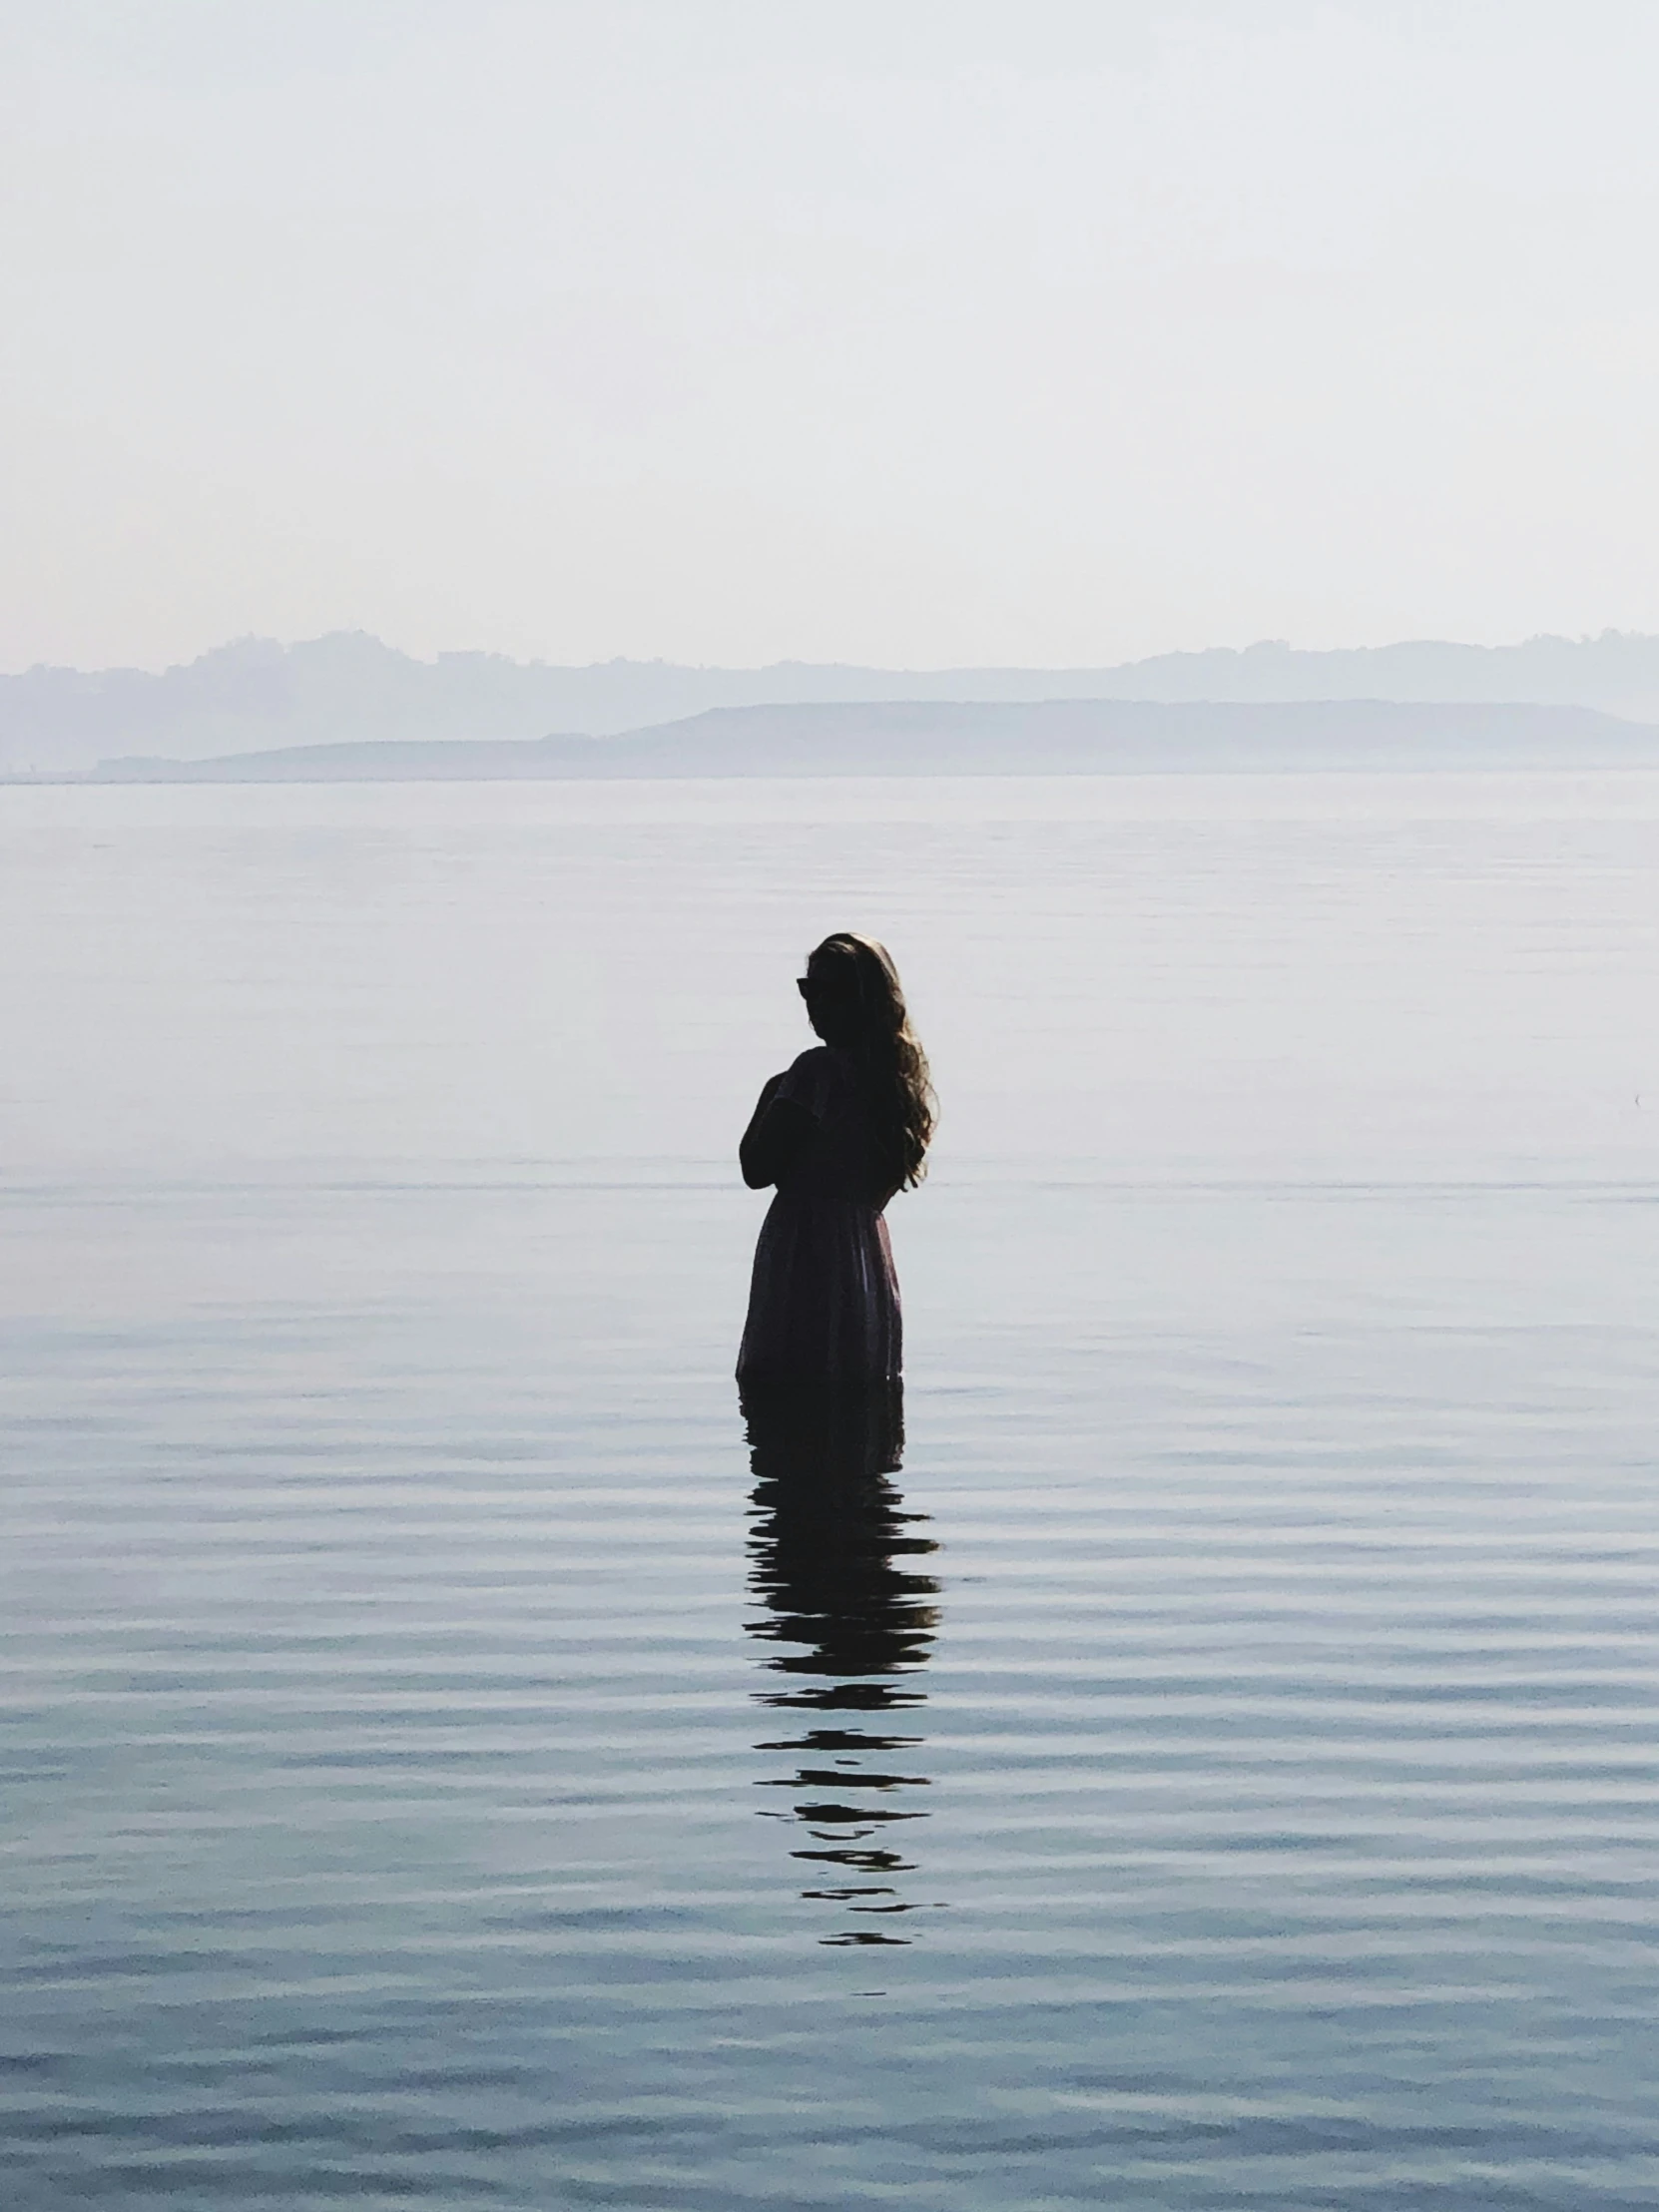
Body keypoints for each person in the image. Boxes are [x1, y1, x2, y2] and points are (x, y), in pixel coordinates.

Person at [736, 932, 934, 1383]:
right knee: (855, 1396)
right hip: (864, 1257)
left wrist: (773, 1091)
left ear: (863, 1001)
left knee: (783, 1390)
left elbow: (756, 1168)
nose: (816, 1004)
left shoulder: (813, 1072)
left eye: (830, 992)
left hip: (803, 1251)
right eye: (810, 990)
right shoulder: (894, 1089)